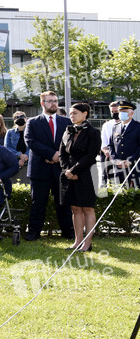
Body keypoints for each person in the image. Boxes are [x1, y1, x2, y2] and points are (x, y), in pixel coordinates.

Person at [24, 90, 74, 241]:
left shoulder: (66, 122)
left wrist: (59, 156)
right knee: (38, 203)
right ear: (42, 103)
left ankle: (68, 233)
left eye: (55, 101)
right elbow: (30, 141)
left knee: (64, 203)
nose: (53, 104)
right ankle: (34, 233)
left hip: (61, 168)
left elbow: (71, 142)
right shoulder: (33, 122)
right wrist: (50, 155)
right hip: (40, 169)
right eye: (50, 101)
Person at [59, 103, 102, 252]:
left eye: (75, 113)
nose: (72, 116)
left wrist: (74, 170)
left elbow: (91, 155)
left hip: (87, 173)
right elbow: (62, 153)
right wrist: (67, 170)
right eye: (70, 113)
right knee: (75, 208)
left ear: (85, 114)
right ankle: (77, 242)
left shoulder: (93, 132)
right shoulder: (68, 131)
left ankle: (87, 244)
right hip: (69, 174)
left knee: (87, 208)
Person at [108, 100, 140, 188]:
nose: (121, 114)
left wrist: (130, 160)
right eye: (120, 111)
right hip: (118, 167)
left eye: (124, 112)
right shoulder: (115, 127)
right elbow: (111, 146)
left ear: (131, 113)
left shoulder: (137, 127)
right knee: (119, 191)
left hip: (134, 167)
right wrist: (115, 160)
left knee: (135, 192)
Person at [4, 110, 30, 184]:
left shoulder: (31, 131)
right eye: (17, 117)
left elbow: (33, 146)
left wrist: (25, 157)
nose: (19, 118)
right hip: (14, 163)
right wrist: (20, 155)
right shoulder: (10, 132)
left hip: (29, 163)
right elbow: (7, 147)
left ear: (26, 119)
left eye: (21, 116)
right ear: (14, 120)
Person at [99, 100, 121, 185]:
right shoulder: (107, 125)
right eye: (112, 112)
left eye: (116, 111)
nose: (114, 113)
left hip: (120, 153)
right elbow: (104, 141)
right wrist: (106, 151)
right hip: (107, 154)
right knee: (106, 175)